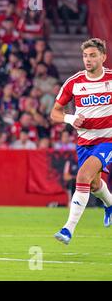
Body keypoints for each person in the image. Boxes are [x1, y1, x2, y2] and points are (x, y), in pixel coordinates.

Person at [51, 38, 112, 245]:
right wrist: (70, 118)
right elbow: (55, 113)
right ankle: (110, 203)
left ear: (103, 57)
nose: (88, 59)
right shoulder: (74, 82)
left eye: (93, 55)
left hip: (108, 140)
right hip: (85, 142)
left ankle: (67, 230)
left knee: (83, 176)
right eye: (85, 55)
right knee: (94, 184)